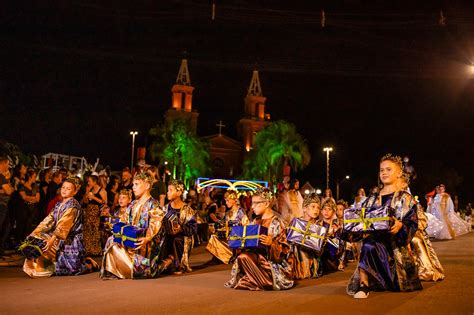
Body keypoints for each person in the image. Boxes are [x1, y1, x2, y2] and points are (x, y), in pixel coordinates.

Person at [346, 154, 422, 299]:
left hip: (395, 248)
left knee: (371, 244)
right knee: (368, 244)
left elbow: (412, 224)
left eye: (388, 169)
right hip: (374, 243)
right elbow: (361, 219)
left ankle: (384, 279)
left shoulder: (405, 199)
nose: (384, 173)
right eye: (381, 170)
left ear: (399, 172)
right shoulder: (372, 199)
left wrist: (401, 225)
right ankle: (364, 284)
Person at [23, 177, 97, 278]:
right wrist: (33, 233)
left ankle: (89, 264)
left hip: (70, 241)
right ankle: (37, 268)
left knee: (71, 269)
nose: (64, 190)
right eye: (63, 187)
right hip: (59, 238)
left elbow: (63, 226)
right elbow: (47, 221)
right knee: (37, 240)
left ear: (74, 192)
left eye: (68, 188)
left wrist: (51, 241)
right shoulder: (59, 205)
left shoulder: (73, 206)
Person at [225, 187, 294, 291]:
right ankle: (256, 279)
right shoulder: (255, 222)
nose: (252, 207)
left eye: (256, 203)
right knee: (242, 257)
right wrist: (237, 239)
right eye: (252, 203)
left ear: (266, 204)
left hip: (270, 263)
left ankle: (264, 281)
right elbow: (247, 242)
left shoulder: (277, 223)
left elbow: (286, 249)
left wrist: (272, 243)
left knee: (245, 259)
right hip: (256, 259)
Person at [100, 172, 165, 279]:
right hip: (129, 242)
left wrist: (148, 238)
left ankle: (159, 265)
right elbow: (124, 221)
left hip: (143, 244)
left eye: (136, 184)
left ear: (147, 185)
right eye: (133, 184)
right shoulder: (133, 204)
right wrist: (115, 229)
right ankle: (117, 269)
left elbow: (156, 223)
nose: (133, 187)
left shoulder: (153, 204)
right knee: (112, 241)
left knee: (141, 271)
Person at [159, 179, 197, 275]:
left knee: (176, 240)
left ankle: (175, 264)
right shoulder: (166, 208)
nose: (168, 193)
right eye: (168, 190)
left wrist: (180, 229)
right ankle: (163, 262)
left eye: (170, 190)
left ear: (179, 192)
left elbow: (193, 229)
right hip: (168, 236)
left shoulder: (187, 210)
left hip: (183, 238)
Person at [206, 190, 249, 264]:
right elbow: (223, 224)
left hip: (237, 236)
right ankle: (217, 257)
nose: (226, 202)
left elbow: (246, 225)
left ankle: (228, 256)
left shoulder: (240, 211)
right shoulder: (228, 213)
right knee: (214, 236)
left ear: (234, 200)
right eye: (225, 201)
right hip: (228, 235)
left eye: (228, 200)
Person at [290, 192, 323, 279]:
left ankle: (310, 269)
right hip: (298, 256)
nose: (316, 210)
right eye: (313, 207)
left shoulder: (318, 227)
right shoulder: (297, 222)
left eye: (318, 208)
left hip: (312, 256)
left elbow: (319, 250)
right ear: (304, 208)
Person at [411, 203, 445, 281]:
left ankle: (425, 270)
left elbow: (422, 221)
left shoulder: (412, 202)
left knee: (417, 241)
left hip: (411, 231)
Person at [318, 199, 345, 273]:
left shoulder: (336, 227)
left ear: (333, 212)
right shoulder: (317, 225)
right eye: (324, 209)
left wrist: (341, 262)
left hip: (332, 258)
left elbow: (341, 245)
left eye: (329, 209)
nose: (326, 211)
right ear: (321, 211)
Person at [82, 175, 107, 256]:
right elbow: (85, 202)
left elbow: (104, 202)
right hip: (88, 212)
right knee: (87, 231)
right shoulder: (90, 189)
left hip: (96, 213)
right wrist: (86, 193)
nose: (88, 183)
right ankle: (88, 250)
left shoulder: (101, 190)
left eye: (90, 181)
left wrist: (94, 197)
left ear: (95, 181)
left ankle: (96, 251)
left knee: (95, 231)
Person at [16, 169, 40, 241]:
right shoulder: (22, 186)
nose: (35, 178)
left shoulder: (35, 187)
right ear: (29, 177)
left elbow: (38, 199)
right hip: (23, 210)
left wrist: (29, 198)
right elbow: (24, 197)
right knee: (20, 226)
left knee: (28, 227)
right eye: (34, 176)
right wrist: (33, 198)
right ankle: (18, 242)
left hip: (31, 211)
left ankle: (24, 243)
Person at [0, 156, 14, 256]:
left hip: (4, 204)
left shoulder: (3, 177)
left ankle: (1, 249)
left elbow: (9, 190)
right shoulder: (1, 177)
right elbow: (9, 191)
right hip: (1, 205)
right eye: (8, 163)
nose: (8, 166)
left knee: (7, 226)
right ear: (3, 163)